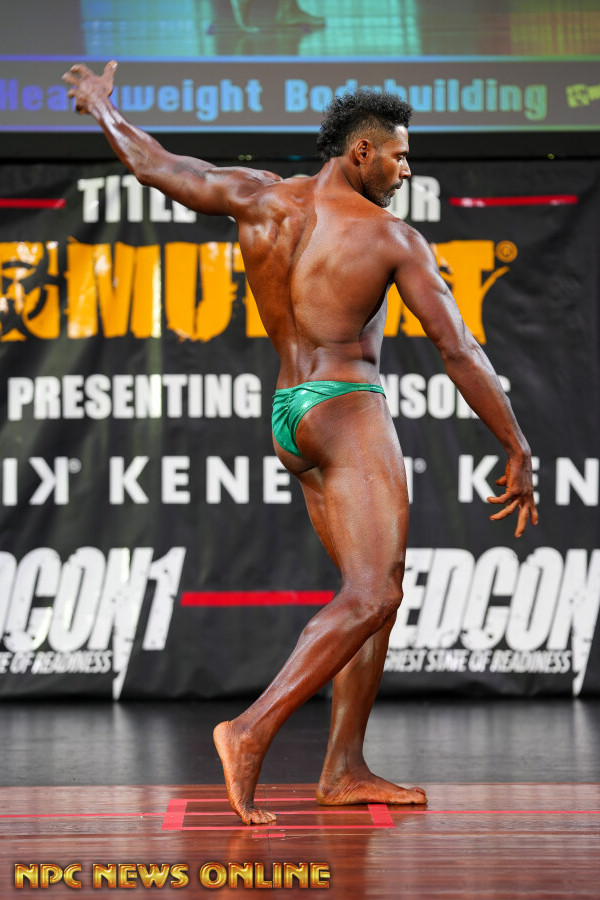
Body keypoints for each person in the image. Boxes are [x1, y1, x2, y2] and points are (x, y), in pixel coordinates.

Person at [63, 61, 538, 825]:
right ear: (361, 153)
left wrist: (101, 108)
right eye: (399, 156)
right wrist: (516, 445)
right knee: (374, 593)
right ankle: (249, 731)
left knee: (371, 590)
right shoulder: (391, 237)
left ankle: (343, 768)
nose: (406, 170)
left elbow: (155, 165)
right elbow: (458, 348)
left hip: (290, 411)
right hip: (347, 406)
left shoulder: (259, 197)